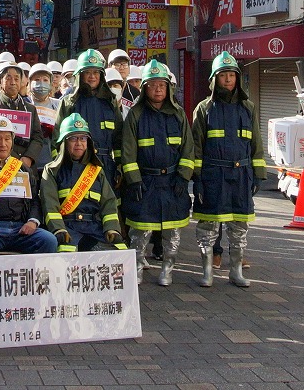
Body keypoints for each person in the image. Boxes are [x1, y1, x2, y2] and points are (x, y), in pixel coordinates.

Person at [192, 51, 264, 288]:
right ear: (214, 79)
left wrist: (258, 174)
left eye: (232, 74)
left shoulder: (248, 107)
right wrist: (198, 178)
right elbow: (197, 146)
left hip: (241, 175)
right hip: (213, 176)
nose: (228, 79)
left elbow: (256, 143)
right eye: (223, 75)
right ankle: (207, 271)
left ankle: (236, 271)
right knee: (208, 228)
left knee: (239, 227)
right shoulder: (204, 109)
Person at [121, 59, 195, 285]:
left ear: (169, 87)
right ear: (144, 88)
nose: (158, 89)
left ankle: (167, 269)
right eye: (152, 85)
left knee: (172, 232)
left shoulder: (179, 114)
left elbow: (188, 149)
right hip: (145, 181)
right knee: (140, 231)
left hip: (173, 182)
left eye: (162, 85)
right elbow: (128, 151)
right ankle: (137, 269)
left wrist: (183, 176)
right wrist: (133, 180)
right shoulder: (135, 115)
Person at [0, 115, 57, 256]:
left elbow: (35, 200)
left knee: (48, 240)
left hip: (20, 228)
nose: (3, 144)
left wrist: (32, 221)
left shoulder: (22, 168)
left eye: (7, 139)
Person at [40, 114, 123, 252]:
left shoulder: (96, 170)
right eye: (73, 138)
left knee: (119, 255)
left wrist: (112, 229)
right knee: (66, 261)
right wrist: (58, 229)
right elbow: (50, 205)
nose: (79, 143)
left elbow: (109, 203)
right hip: (66, 229)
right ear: (64, 142)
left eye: (83, 138)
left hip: (94, 228)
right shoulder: (52, 170)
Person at [57, 49, 123, 184]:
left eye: (96, 72)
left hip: (106, 166)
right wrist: (62, 165)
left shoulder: (111, 102)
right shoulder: (69, 102)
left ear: (101, 75)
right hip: (77, 165)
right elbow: (57, 138)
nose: (92, 76)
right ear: (80, 75)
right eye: (87, 72)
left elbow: (119, 138)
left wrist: (119, 166)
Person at [0, 63, 46, 171]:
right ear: (0, 81)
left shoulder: (30, 109)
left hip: (26, 166)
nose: (13, 82)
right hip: (0, 167)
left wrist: (28, 157)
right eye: (8, 78)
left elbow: (38, 137)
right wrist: (12, 159)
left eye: (16, 78)